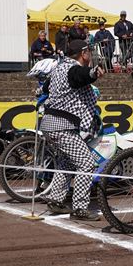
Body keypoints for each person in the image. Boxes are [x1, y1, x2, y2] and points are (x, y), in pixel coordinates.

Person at [39, 39, 104, 221]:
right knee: (86, 164)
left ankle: (56, 199)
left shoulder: (58, 69)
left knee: (66, 163)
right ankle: (80, 209)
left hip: (49, 124)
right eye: (89, 52)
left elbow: (44, 88)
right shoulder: (72, 69)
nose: (90, 55)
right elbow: (81, 75)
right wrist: (94, 73)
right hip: (62, 126)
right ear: (83, 54)